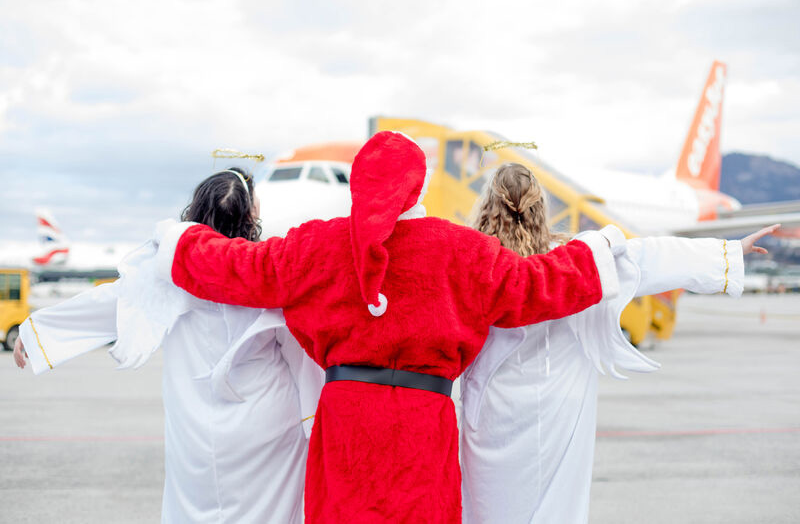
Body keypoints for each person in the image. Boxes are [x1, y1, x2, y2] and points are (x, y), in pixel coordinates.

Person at [152, 131, 623, 523]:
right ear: (417, 186)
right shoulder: (459, 249)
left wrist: (179, 240)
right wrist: (599, 250)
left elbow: (239, 268)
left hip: (345, 420)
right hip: (424, 420)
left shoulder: (316, 245)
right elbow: (534, 284)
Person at [460, 162, 778, 524]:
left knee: (487, 505)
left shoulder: (471, 262)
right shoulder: (578, 259)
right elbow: (646, 259)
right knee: (557, 504)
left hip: (491, 410)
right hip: (558, 403)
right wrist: (727, 253)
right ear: (540, 207)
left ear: (488, 206)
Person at [14, 168, 324, 524]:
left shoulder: (167, 275)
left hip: (195, 423)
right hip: (267, 424)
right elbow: (300, 350)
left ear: (194, 209)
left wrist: (39, 330)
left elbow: (111, 303)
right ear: (250, 218)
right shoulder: (266, 271)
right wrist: (314, 420)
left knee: (195, 508)